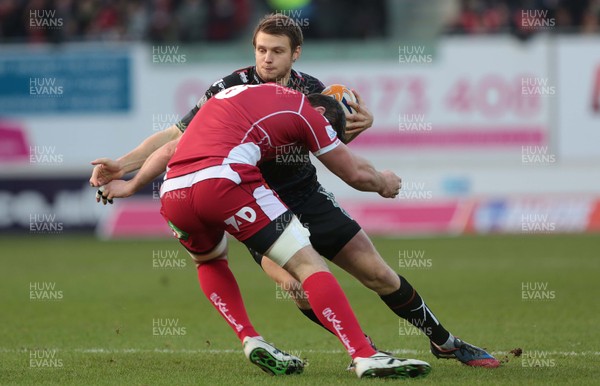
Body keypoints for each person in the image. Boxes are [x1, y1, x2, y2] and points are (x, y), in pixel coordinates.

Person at [90, 13, 499, 369]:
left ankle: (444, 341)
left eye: (277, 51)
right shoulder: (229, 87)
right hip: (250, 199)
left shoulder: (313, 91)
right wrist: (121, 164)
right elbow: (174, 137)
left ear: (296, 54)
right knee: (296, 286)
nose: (266, 58)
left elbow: (333, 151)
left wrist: (356, 129)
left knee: (377, 274)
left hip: (305, 194)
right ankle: (363, 348)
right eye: (261, 49)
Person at [100, 83, 432, 379]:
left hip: (174, 190)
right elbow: (357, 174)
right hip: (225, 180)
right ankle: (364, 354)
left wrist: (130, 185)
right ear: (320, 111)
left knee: (209, 262)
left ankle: (249, 337)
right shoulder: (306, 111)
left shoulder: (223, 96)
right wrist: (385, 182)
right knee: (307, 264)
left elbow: (171, 149)